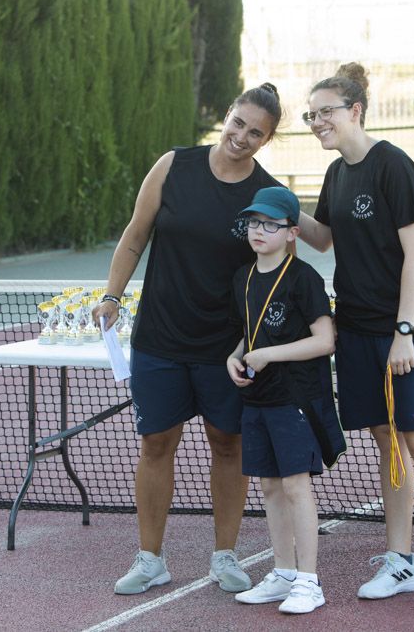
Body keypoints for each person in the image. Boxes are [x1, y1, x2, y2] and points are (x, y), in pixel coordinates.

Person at [296, 62, 414, 608]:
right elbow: (323, 238)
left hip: (407, 330)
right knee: (387, 442)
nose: (316, 122)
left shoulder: (394, 167)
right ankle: (400, 561)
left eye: (325, 112)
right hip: (354, 329)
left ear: (354, 110)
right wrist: (274, 198)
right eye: (311, 116)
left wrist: (404, 331)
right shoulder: (336, 174)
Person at [91, 83, 285, 596]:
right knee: (157, 443)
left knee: (228, 444)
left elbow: (275, 269)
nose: (241, 136)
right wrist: (112, 296)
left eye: (255, 133)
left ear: (267, 140)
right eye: (238, 123)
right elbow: (135, 236)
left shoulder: (264, 194)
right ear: (226, 115)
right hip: (159, 338)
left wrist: (254, 343)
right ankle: (150, 558)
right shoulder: (173, 165)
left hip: (225, 347)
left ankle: (225, 557)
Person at [224, 187, 343, 615]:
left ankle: (309, 582)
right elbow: (253, 331)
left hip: (296, 398)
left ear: (292, 232)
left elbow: (325, 340)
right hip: (257, 398)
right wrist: (235, 356)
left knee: (295, 485)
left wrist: (269, 355)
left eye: (271, 224)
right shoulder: (243, 277)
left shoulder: (303, 278)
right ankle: (284, 573)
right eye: (254, 223)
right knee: (270, 487)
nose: (259, 231)